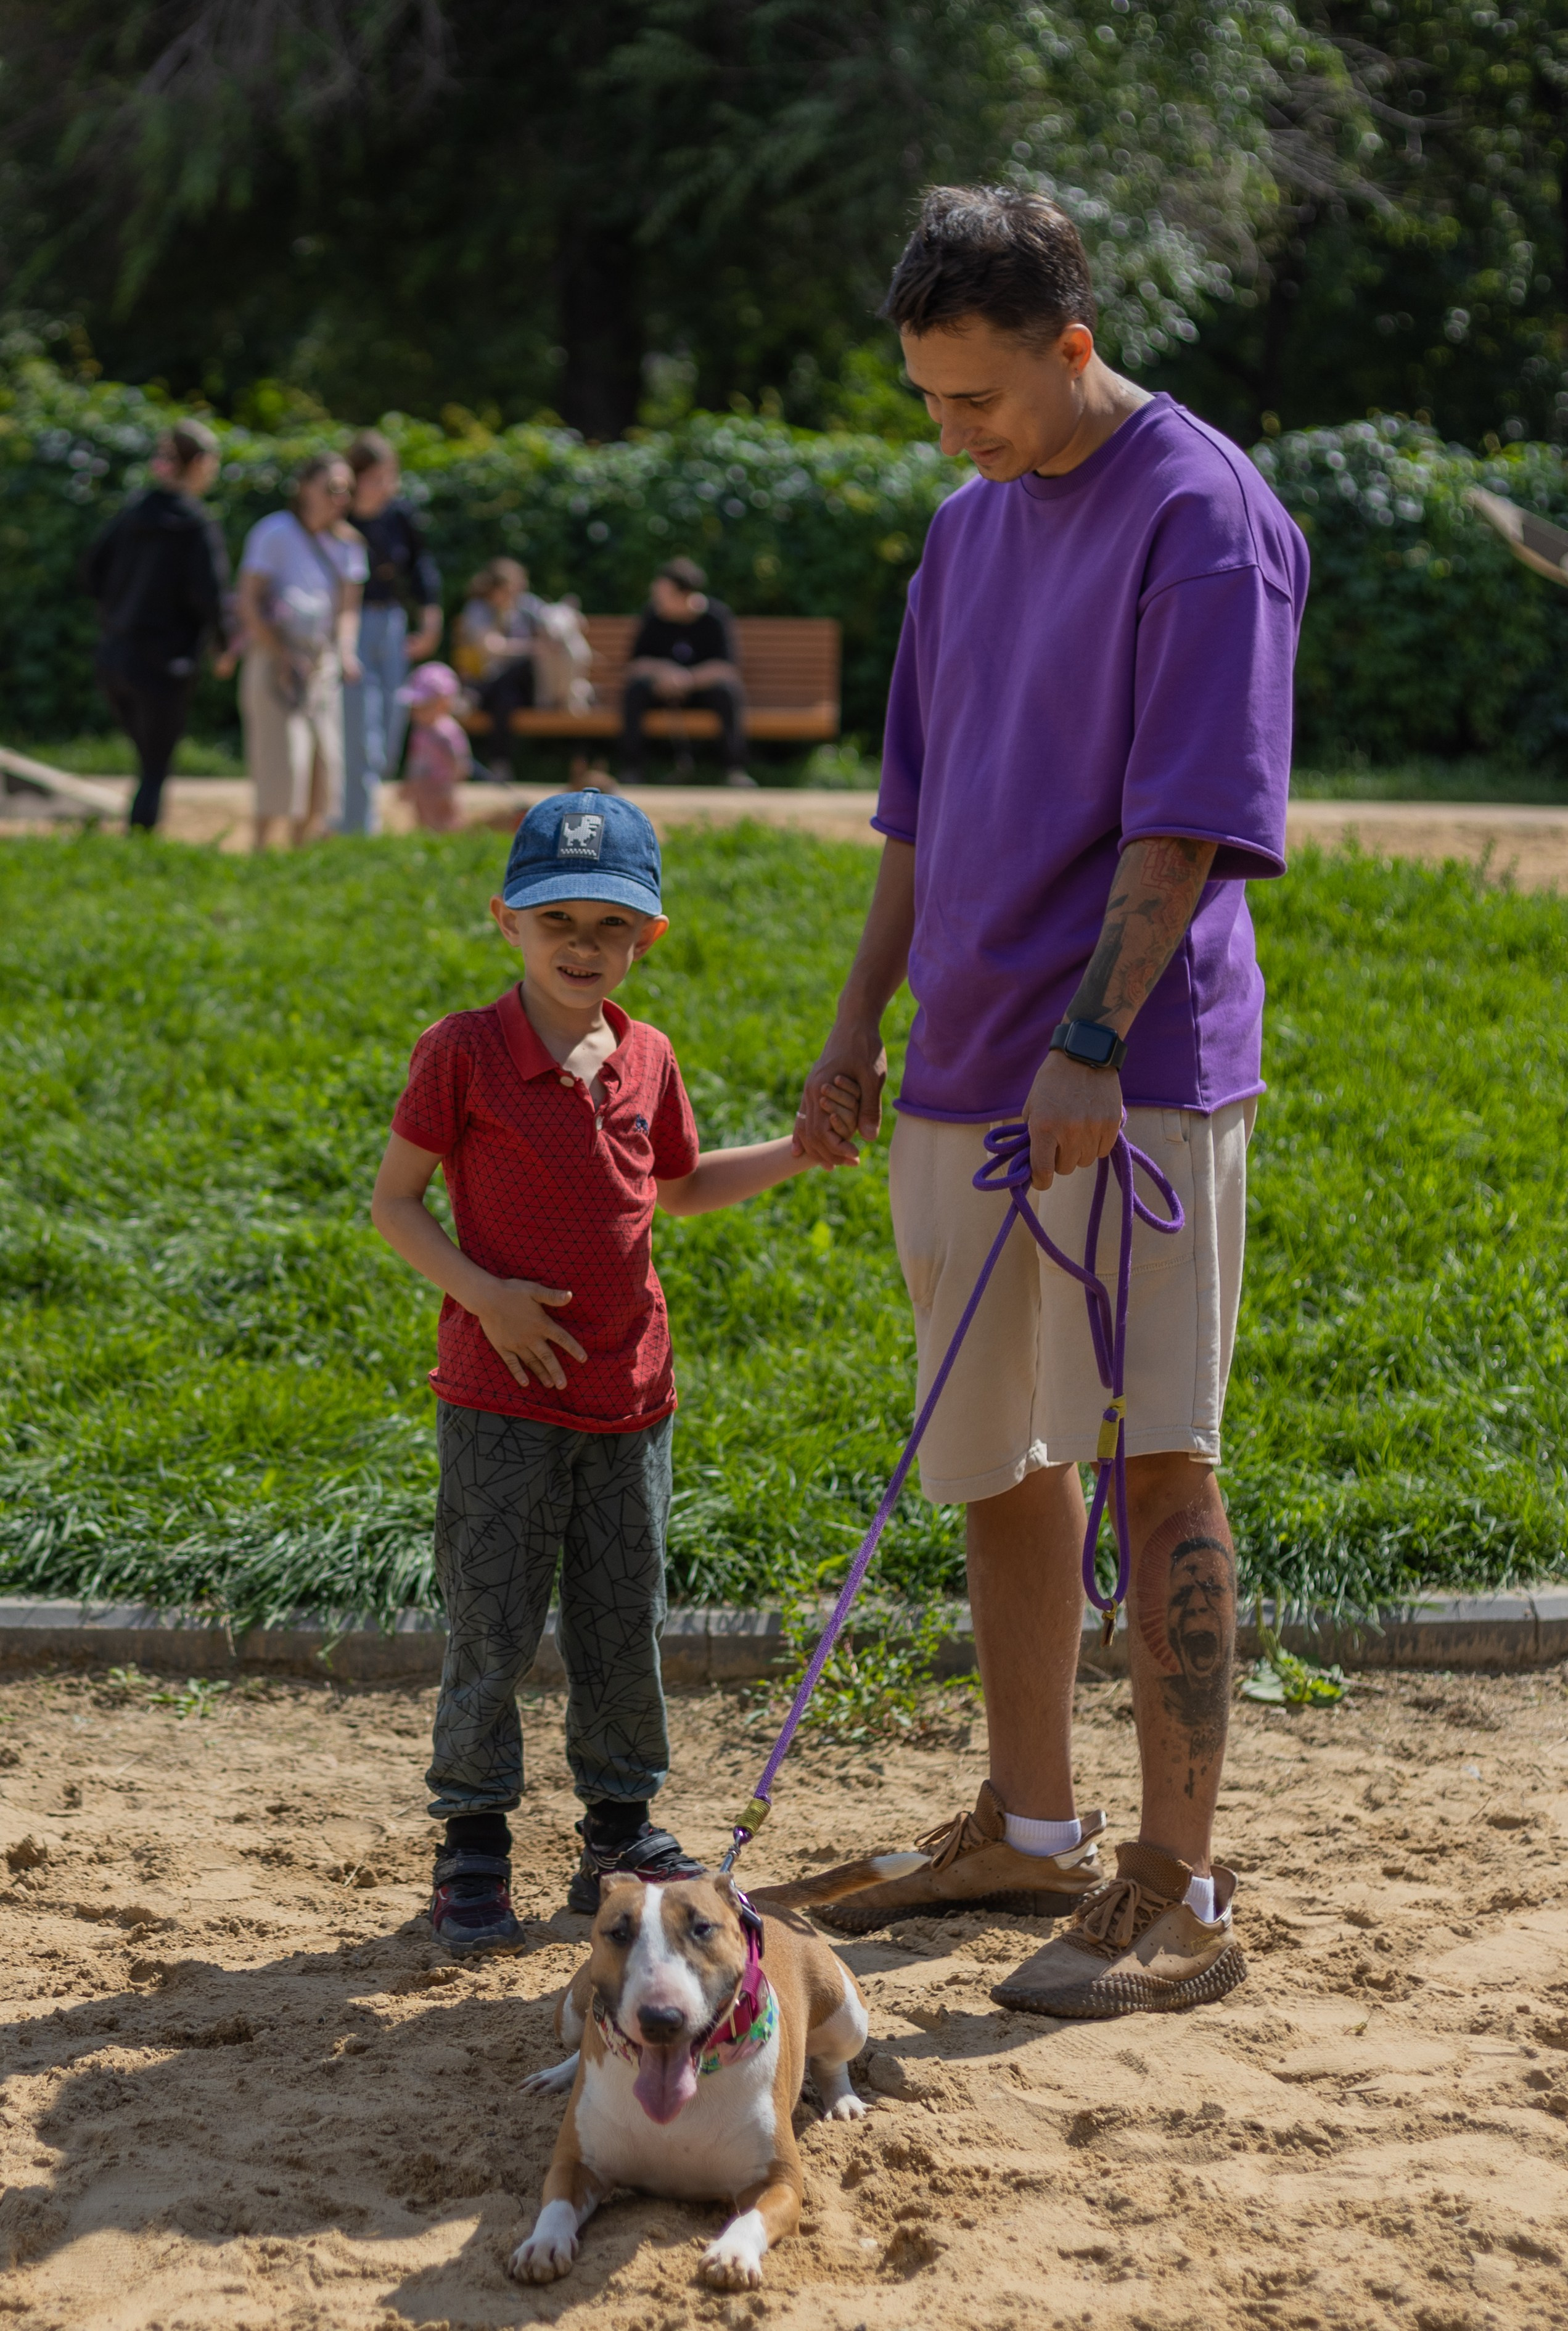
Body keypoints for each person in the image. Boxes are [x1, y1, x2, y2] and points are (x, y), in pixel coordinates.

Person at [792, 186, 1308, 2019]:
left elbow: (1185, 816)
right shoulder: (964, 529)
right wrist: (858, 1029)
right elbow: (915, 817)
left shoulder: (1197, 510)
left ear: (1069, 346)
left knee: (1152, 1453)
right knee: (997, 1461)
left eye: (978, 397)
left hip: (1127, 1069)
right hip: (959, 1071)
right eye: (930, 400)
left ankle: (1177, 1887)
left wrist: (1092, 1038)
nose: (955, 434)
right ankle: (1029, 1824)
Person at [370, 787, 844, 1953]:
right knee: (489, 1622)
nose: (582, 948)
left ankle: (617, 1831)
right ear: (506, 923)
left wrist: (797, 1150)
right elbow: (395, 1204)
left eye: (609, 928)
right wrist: (479, 1293)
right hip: (498, 1397)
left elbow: (678, 1189)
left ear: (647, 939)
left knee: (620, 1623)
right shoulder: (462, 1052)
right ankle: (473, 1842)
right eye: (557, 922)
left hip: (628, 1399)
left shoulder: (647, 1058)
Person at [81, 419, 229, 832]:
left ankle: (139, 836)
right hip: (166, 664)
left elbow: (91, 572)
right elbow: (210, 596)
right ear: (199, 463)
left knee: (147, 758)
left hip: (115, 657)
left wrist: (116, 614)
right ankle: (142, 844)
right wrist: (223, 644)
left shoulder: (132, 515)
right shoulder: (197, 525)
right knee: (155, 764)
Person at [236, 453, 366, 851]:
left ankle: (301, 852)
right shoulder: (274, 532)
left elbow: (348, 609)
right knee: (280, 759)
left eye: (348, 490)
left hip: (321, 661)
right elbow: (249, 603)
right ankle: (262, 848)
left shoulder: (349, 544)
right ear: (305, 488)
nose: (341, 498)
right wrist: (281, 652)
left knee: (325, 761)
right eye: (333, 488)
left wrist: (346, 653)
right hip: (274, 659)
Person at [342, 430, 443, 836]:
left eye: (391, 477)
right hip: (352, 624)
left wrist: (430, 619)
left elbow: (421, 566)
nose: (388, 487)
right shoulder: (339, 519)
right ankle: (358, 826)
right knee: (360, 725)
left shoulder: (398, 515)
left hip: (391, 623)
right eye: (379, 477)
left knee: (390, 723)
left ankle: (359, 810)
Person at [620, 557, 753, 787]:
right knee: (635, 691)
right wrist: (663, 671)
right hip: (662, 691)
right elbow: (635, 664)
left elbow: (727, 668)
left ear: (685, 594)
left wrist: (688, 679)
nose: (656, 600)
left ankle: (734, 770)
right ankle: (632, 768)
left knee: (728, 693)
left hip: (702, 692)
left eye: (663, 595)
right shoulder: (653, 615)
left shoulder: (716, 617)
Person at [454, 559, 548, 780]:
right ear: (494, 589)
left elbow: (553, 627)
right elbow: (490, 649)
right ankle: (499, 764)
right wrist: (531, 647)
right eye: (510, 589)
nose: (516, 594)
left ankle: (497, 763)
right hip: (495, 686)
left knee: (511, 680)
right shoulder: (478, 609)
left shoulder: (528, 605)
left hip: (522, 686)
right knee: (505, 695)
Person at [398, 661, 472, 831]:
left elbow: (460, 761)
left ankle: (449, 844)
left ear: (443, 704)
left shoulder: (447, 732)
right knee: (424, 817)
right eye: (414, 707)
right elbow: (415, 760)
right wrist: (410, 783)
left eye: (423, 707)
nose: (415, 713)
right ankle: (428, 842)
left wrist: (453, 785)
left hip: (442, 788)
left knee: (447, 820)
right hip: (423, 787)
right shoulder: (420, 732)